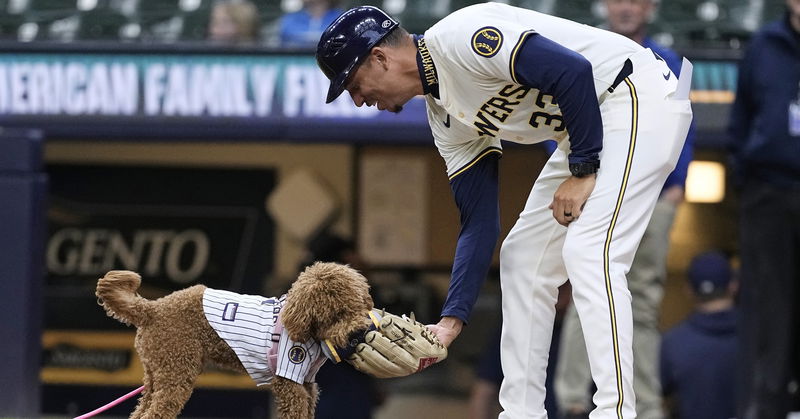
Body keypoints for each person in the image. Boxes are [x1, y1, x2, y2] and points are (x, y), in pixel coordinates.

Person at [316, 4, 693, 418]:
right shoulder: (445, 120)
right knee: (521, 258)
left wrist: (584, 169)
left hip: (635, 93)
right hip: (590, 126)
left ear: (380, 58)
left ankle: (615, 411)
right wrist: (450, 323)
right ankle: (521, 412)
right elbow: (478, 222)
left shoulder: (461, 37)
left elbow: (571, 71)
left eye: (352, 83)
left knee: (589, 251)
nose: (356, 99)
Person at [554, 1, 695, 418]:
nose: (627, 7)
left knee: (645, 301)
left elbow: (685, 122)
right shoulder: (580, 54)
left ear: (651, 7)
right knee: (587, 288)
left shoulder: (669, 61)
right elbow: (555, 121)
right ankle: (575, 399)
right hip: (594, 189)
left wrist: (678, 185)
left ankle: (645, 404)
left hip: (653, 195)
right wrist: (575, 173)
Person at [728, 1, 800, 418]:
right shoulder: (763, 46)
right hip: (768, 192)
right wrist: (744, 174)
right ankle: (766, 408)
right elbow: (740, 118)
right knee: (768, 310)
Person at [299, 231, 385, 419]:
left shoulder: (300, 293)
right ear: (346, 258)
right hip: (343, 388)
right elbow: (365, 344)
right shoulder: (347, 297)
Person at [660, 251, 738, 419]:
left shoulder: (674, 343)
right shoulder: (758, 338)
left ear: (689, 290)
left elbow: (650, 392)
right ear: (733, 285)